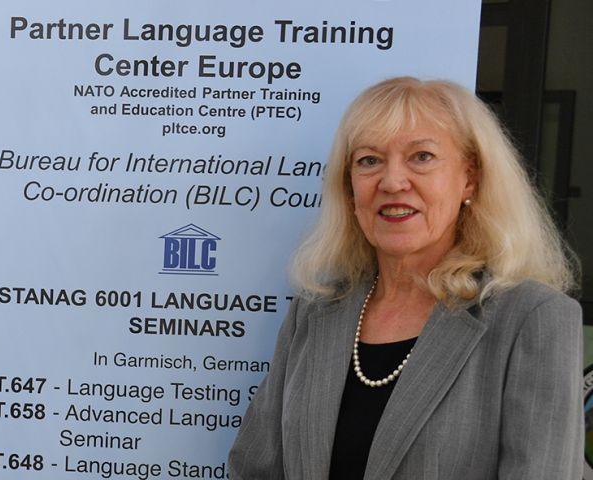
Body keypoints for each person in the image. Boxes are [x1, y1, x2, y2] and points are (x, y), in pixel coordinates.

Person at [228, 77, 581, 479]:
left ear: (469, 178)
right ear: (350, 188)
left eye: (422, 157)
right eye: (369, 161)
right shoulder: (313, 312)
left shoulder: (533, 318)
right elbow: (254, 469)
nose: (393, 181)